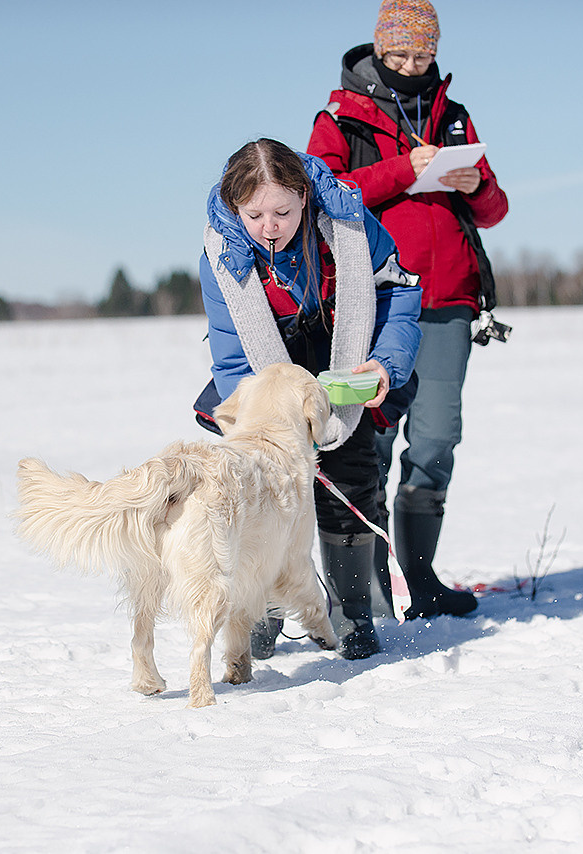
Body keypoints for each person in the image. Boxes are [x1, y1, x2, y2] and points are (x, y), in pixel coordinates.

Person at [307, 0, 509, 620]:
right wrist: (401, 170)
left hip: (449, 297)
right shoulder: (341, 118)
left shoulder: (455, 117)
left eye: (423, 55)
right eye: (400, 54)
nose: (412, 65)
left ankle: (421, 583)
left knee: (437, 438)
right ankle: (364, 591)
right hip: (374, 298)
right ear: (377, 50)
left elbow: (496, 210)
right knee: (369, 442)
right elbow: (319, 195)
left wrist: (477, 186)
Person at [194, 138, 422, 660]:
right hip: (264, 370)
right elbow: (232, 359)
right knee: (264, 487)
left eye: (282, 211)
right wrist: (259, 426)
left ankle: (353, 614)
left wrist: (385, 363)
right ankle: (263, 613)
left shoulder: (349, 223)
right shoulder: (221, 258)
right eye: (254, 214)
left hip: (344, 347)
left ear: (304, 196)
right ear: (235, 208)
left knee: (352, 472)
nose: (269, 225)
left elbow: (398, 292)